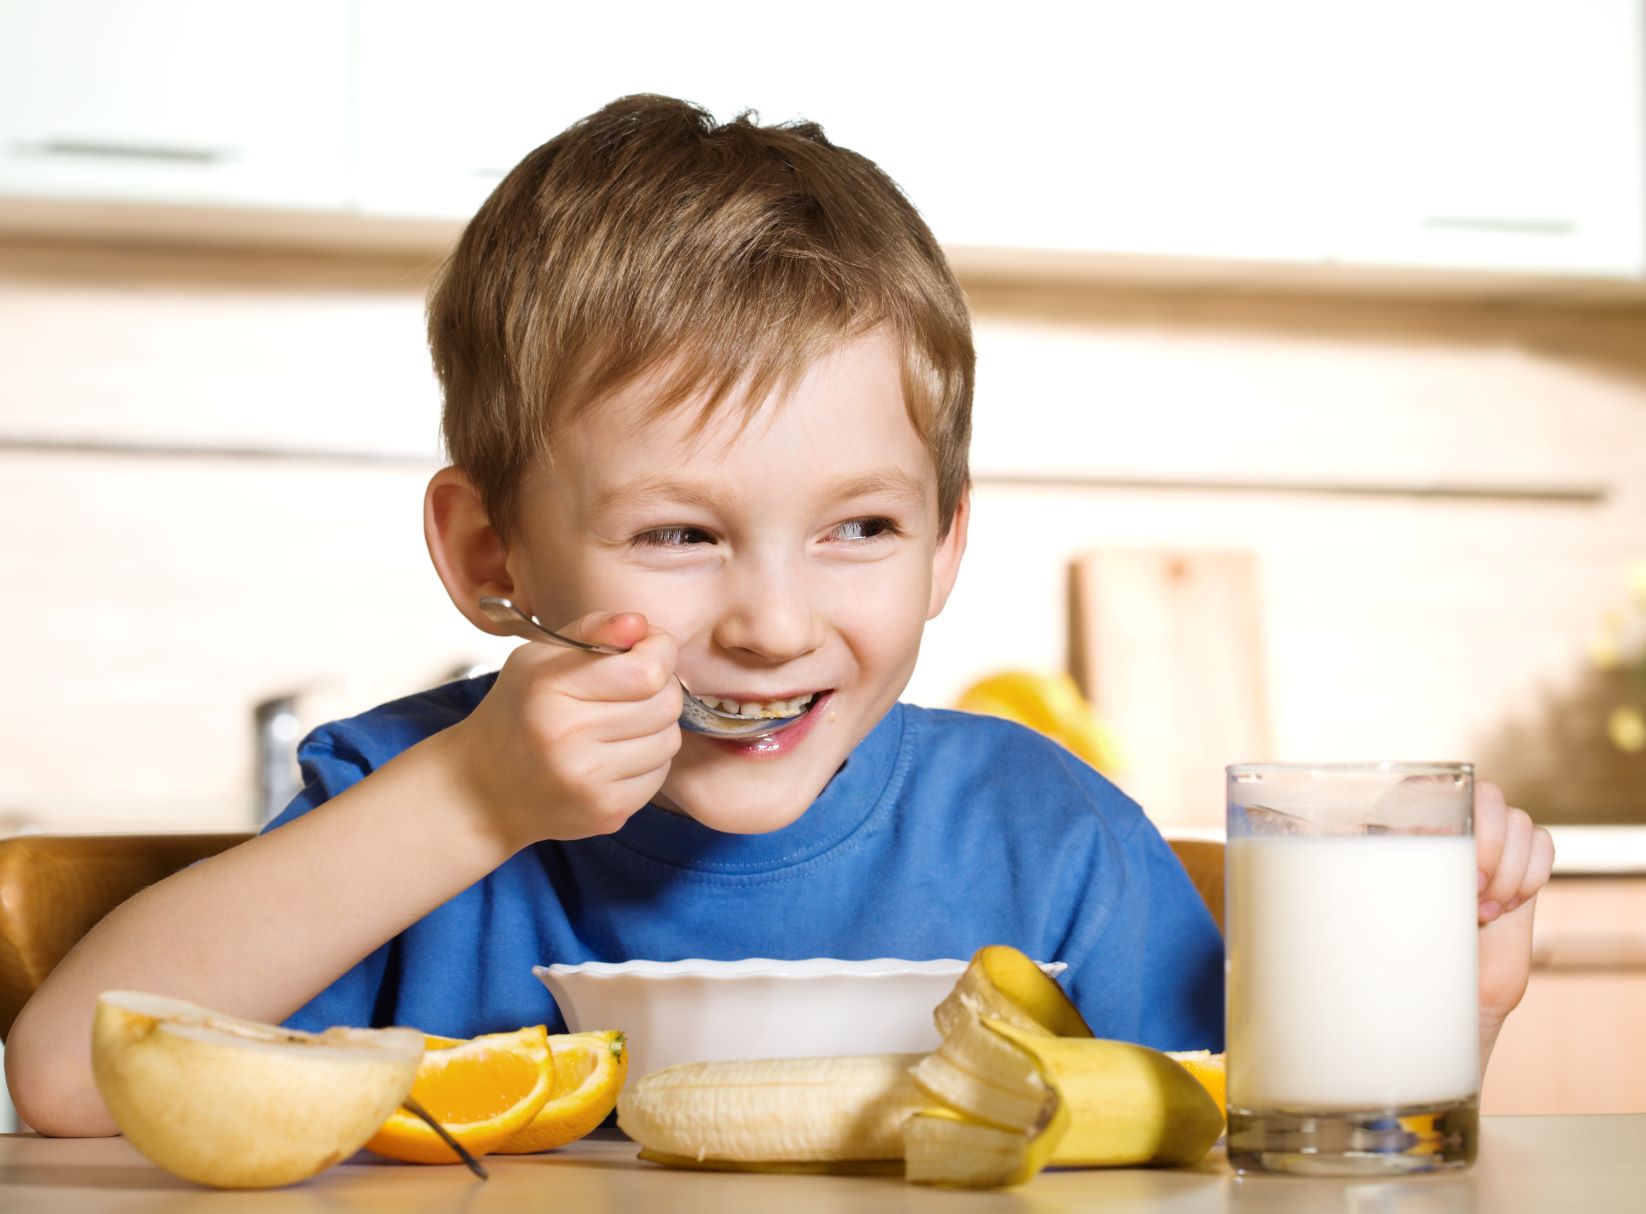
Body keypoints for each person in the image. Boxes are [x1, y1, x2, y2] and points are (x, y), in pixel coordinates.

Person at [5, 96, 1554, 1137]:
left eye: (858, 529)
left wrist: (1444, 1005)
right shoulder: (410, 807)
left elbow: (1249, 1145)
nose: (770, 620)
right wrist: (472, 797)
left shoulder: (1046, 836)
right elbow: (71, 1075)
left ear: (946, 545)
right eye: (678, 532)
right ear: (488, 548)